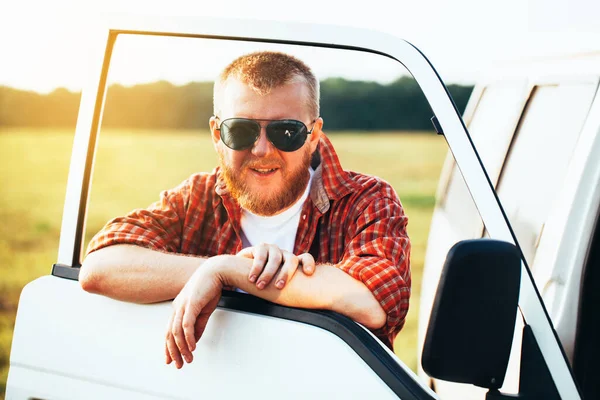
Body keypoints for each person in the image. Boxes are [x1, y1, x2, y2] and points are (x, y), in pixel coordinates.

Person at [80, 51, 411, 369]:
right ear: (216, 134)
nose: (263, 149)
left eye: (286, 131)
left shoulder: (366, 199)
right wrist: (210, 268)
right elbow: (99, 266)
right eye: (241, 131)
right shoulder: (197, 197)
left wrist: (229, 272)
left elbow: (372, 301)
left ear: (313, 135)